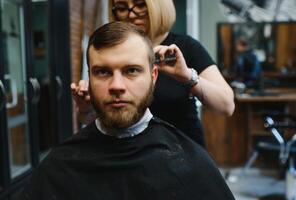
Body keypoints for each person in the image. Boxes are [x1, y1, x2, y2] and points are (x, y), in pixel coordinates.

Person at [18, 22, 235, 200]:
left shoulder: (190, 164)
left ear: (153, 77)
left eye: (131, 71)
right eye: (102, 72)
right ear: (89, 80)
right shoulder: (60, 167)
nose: (117, 86)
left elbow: (226, 104)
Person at [71, 0, 235, 147]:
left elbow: (226, 106)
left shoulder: (186, 48)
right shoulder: (114, 52)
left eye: (140, 5)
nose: (131, 14)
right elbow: (95, 120)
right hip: (129, 154)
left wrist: (187, 76)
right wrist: (86, 109)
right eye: (121, 7)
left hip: (182, 154)